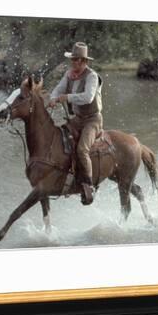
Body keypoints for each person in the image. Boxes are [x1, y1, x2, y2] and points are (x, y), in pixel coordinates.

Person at [48, 42, 103, 205]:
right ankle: (66, 177)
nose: (73, 63)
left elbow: (88, 97)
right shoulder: (69, 74)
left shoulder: (92, 76)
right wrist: (52, 99)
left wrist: (68, 97)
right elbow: (59, 89)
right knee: (60, 139)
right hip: (78, 118)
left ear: (83, 61)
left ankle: (88, 185)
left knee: (82, 149)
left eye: (76, 60)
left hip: (93, 120)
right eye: (72, 60)